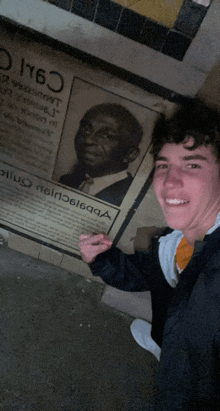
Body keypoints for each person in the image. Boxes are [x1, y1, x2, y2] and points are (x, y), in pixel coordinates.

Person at [79, 98, 220, 410]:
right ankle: (161, 344)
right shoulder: (176, 240)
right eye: (163, 165)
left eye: (193, 164)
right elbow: (146, 275)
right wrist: (101, 259)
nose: (170, 182)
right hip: (172, 334)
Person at [60, 103, 143, 206]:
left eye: (106, 136)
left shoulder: (132, 198)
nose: (88, 140)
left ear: (130, 154)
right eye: (86, 129)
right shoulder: (65, 181)